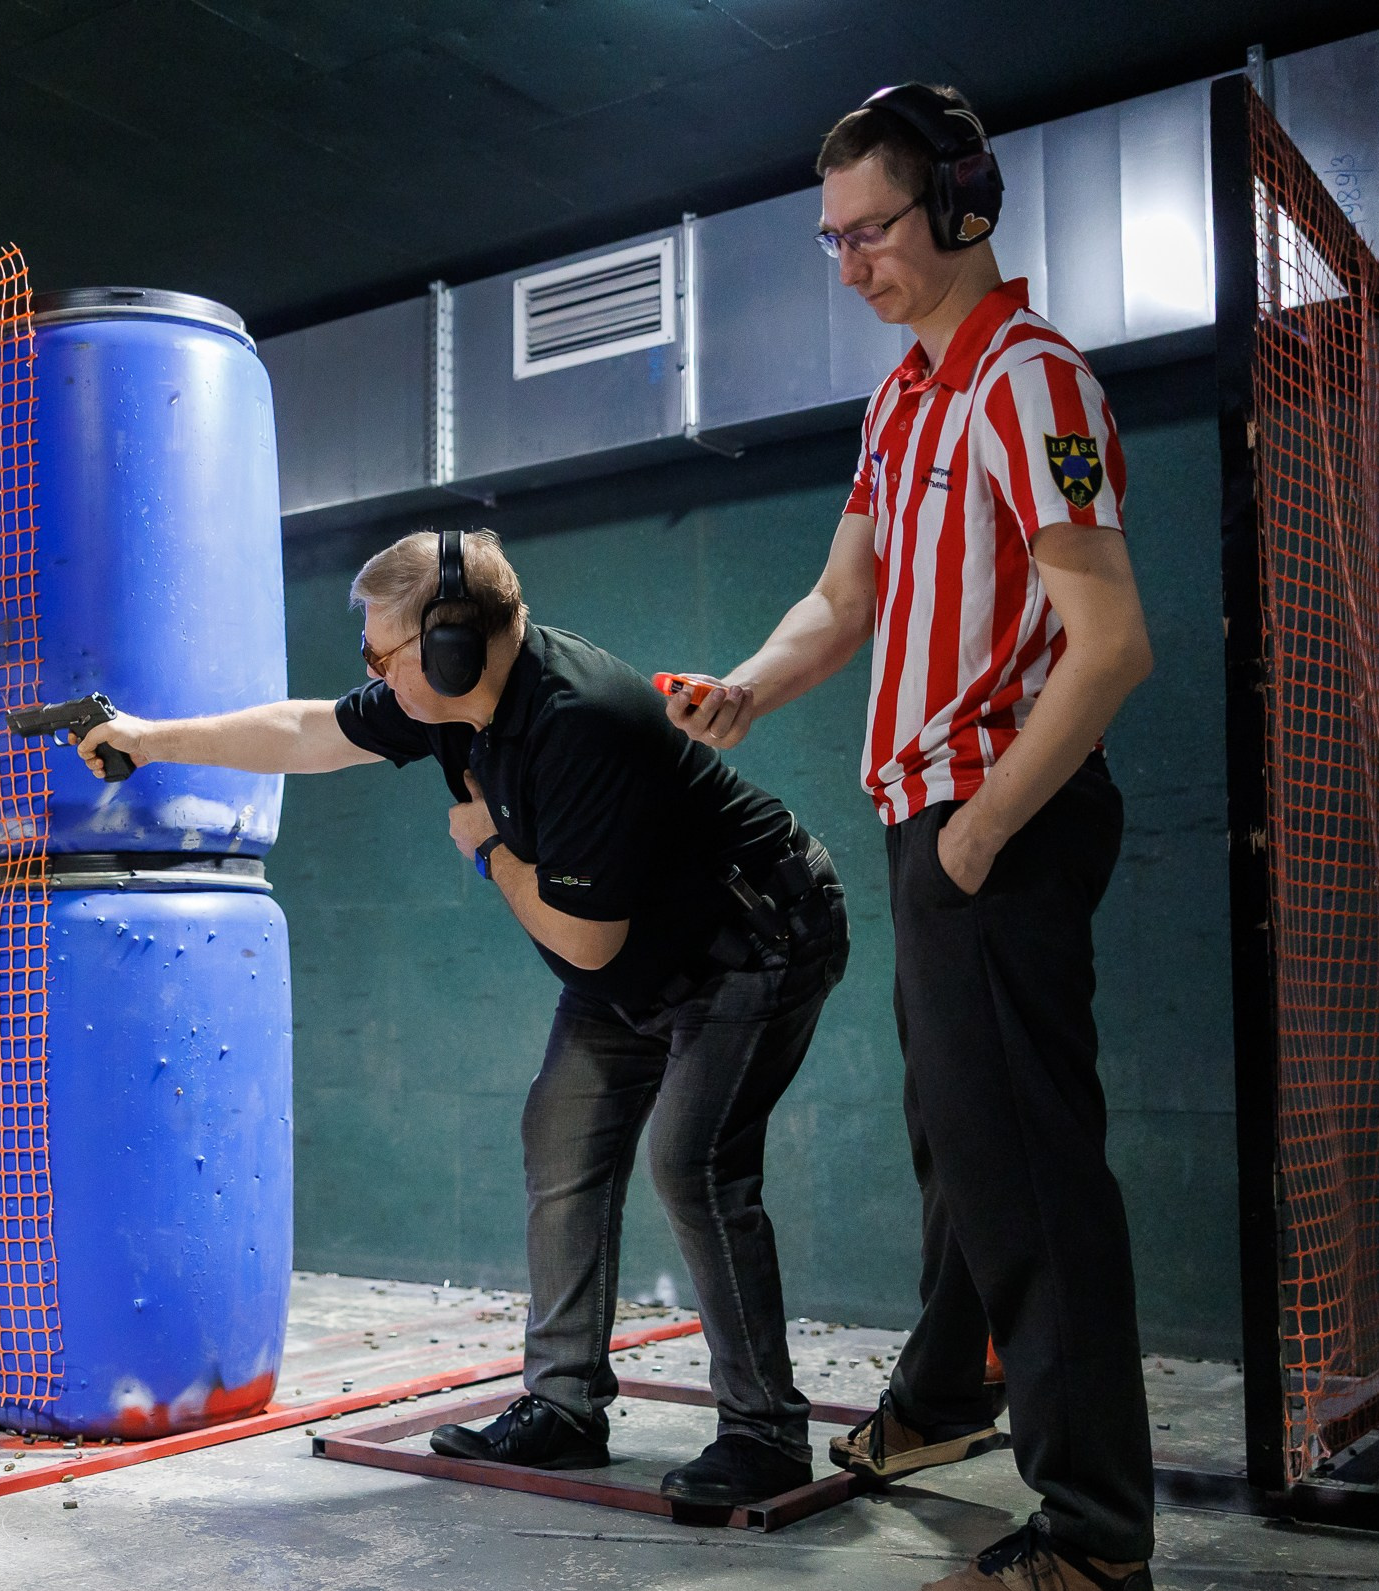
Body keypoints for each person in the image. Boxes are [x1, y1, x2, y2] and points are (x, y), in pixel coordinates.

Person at [666, 83, 1159, 1591]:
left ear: (959, 205)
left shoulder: (1034, 381)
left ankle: (1094, 1539)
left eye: (871, 229)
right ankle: (946, 1396)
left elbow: (1113, 644)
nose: (850, 261)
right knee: (961, 1138)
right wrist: (750, 683)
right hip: (935, 822)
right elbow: (845, 593)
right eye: (831, 238)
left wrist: (982, 827)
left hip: (996, 815)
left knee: (1026, 1170)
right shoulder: (902, 402)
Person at [75, 528, 848, 1509]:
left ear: (451, 648)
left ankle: (765, 1433)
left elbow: (583, 944)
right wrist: (147, 738)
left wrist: (487, 847)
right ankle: (563, 1409)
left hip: (756, 935)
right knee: (559, 1137)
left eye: (381, 654)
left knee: (692, 1162)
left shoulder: (579, 722)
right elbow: (306, 732)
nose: (372, 675)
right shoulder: (447, 704)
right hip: (642, 955)